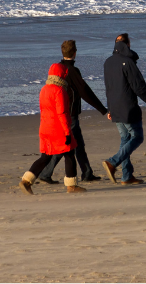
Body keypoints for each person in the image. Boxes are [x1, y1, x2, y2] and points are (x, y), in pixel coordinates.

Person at [36, 40, 108, 184]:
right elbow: (85, 91)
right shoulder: (72, 71)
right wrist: (102, 109)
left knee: (78, 144)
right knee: (65, 146)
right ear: (75, 52)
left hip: (57, 113)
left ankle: (87, 173)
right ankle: (45, 173)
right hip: (68, 114)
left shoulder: (56, 69)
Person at [19, 50, 87, 195]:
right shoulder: (59, 90)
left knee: (45, 156)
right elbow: (62, 113)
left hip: (45, 128)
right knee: (69, 154)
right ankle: (71, 185)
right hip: (58, 129)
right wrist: (67, 132)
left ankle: (27, 180)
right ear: (62, 74)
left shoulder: (44, 89)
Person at [102, 33, 146, 185]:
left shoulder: (108, 62)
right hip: (127, 107)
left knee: (125, 139)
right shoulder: (127, 62)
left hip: (115, 107)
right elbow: (137, 84)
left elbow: (108, 88)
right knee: (137, 137)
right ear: (128, 45)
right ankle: (112, 162)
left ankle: (126, 176)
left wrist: (109, 108)